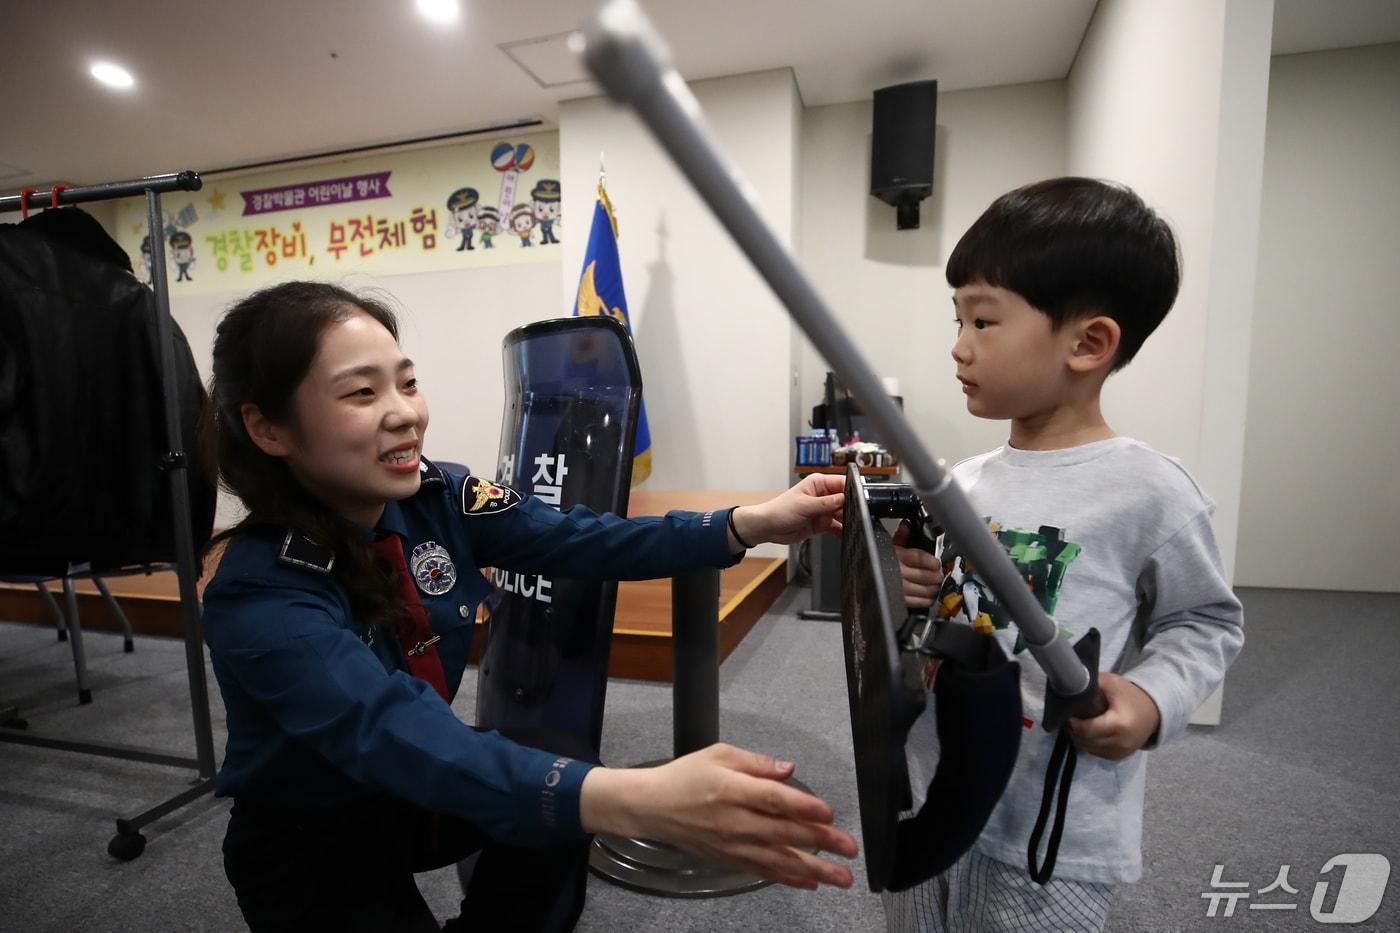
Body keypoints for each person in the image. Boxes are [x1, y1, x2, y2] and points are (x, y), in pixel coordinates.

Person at [199, 280, 858, 932]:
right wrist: (635, 800)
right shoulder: (261, 589)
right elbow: (388, 729)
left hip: (411, 795)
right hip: (315, 839)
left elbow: (581, 536)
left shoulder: (439, 494)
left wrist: (749, 523)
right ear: (268, 427)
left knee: (555, 770)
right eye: (361, 393)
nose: (404, 413)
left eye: (406, 382)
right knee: (572, 793)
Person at [888, 177, 1244, 932]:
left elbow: (1206, 623)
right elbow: (931, 609)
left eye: (984, 320)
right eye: (957, 318)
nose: (958, 346)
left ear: (1088, 343)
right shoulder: (961, 482)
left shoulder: (1148, 491)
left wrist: (1151, 701)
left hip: (1051, 829)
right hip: (934, 782)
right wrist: (912, 582)